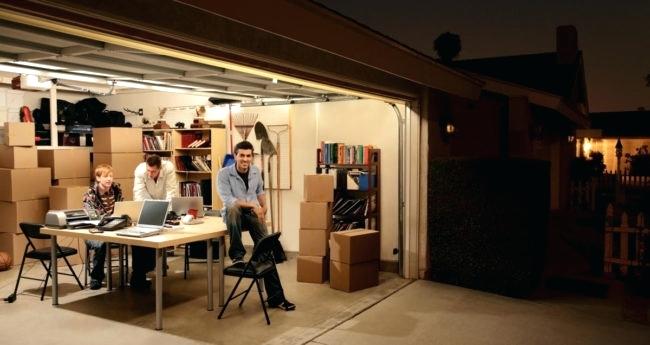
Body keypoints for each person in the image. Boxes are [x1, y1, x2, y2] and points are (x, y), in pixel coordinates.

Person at [217, 140, 295, 311]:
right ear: (235, 156)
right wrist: (254, 206)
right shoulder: (223, 174)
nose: (245, 159)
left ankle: (276, 298)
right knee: (232, 209)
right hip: (234, 215)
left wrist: (264, 207)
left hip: (252, 214)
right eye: (242, 155)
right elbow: (229, 200)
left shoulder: (255, 171)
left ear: (252, 157)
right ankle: (237, 255)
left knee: (266, 250)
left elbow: (260, 192)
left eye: (248, 156)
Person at [130, 154, 178, 289]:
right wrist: (152, 210)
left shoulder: (168, 168)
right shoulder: (140, 171)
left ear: (160, 168)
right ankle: (140, 272)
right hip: (146, 207)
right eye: (148, 171)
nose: (150, 174)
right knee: (141, 238)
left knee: (158, 236)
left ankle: (141, 272)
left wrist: (163, 211)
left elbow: (171, 192)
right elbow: (139, 195)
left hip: (165, 207)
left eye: (154, 171)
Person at [82, 164, 123, 290]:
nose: (109, 179)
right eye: (106, 176)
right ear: (98, 178)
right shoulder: (90, 194)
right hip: (95, 230)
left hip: (114, 228)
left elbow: (122, 208)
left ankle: (138, 276)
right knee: (101, 244)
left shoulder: (116, 190)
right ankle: (96, 277)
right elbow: (93, 218)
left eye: (111, 176)